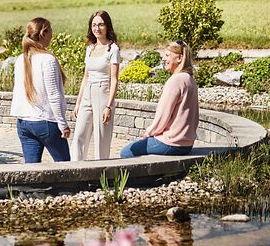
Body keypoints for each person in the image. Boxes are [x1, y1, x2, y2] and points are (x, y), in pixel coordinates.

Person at [120, 40, 199, 158]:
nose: (164, 59)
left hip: (171, 143)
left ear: (179, 58)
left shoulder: (175, 80)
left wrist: (149, 132)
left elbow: (163, 115)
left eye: (167, 55)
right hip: (187, 145)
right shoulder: (190, 79)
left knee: (127, 152)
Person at [10, 17, 71, 163]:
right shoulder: (47, 60)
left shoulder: (20, 59)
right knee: (65, 166)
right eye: (50, 31)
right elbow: (54, 95)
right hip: (45, 123)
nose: (52, 35)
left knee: (31, 170)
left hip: (24, 123)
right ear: (43, 33)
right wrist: (63, 124)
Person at [72, 10, 120, 161]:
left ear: (107, 26)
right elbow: (85, 76)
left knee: (101, 137)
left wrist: (109, 106)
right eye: (94, 25)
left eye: (101, 24)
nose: (97, 28)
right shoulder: (90, 48)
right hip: (88, 92)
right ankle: (75, 170)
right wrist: (78, 103)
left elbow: (114, 79)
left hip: (103, 92)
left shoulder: (113, 49)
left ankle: (101, 173)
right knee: (79, 135)